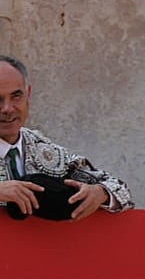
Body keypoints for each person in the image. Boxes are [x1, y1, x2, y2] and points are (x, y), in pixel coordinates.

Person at [0, 55, 133, 219]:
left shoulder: (44, 149)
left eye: (16, 96)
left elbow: (120, 190)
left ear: (28, 94)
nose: (7, 108)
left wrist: (100, 193)